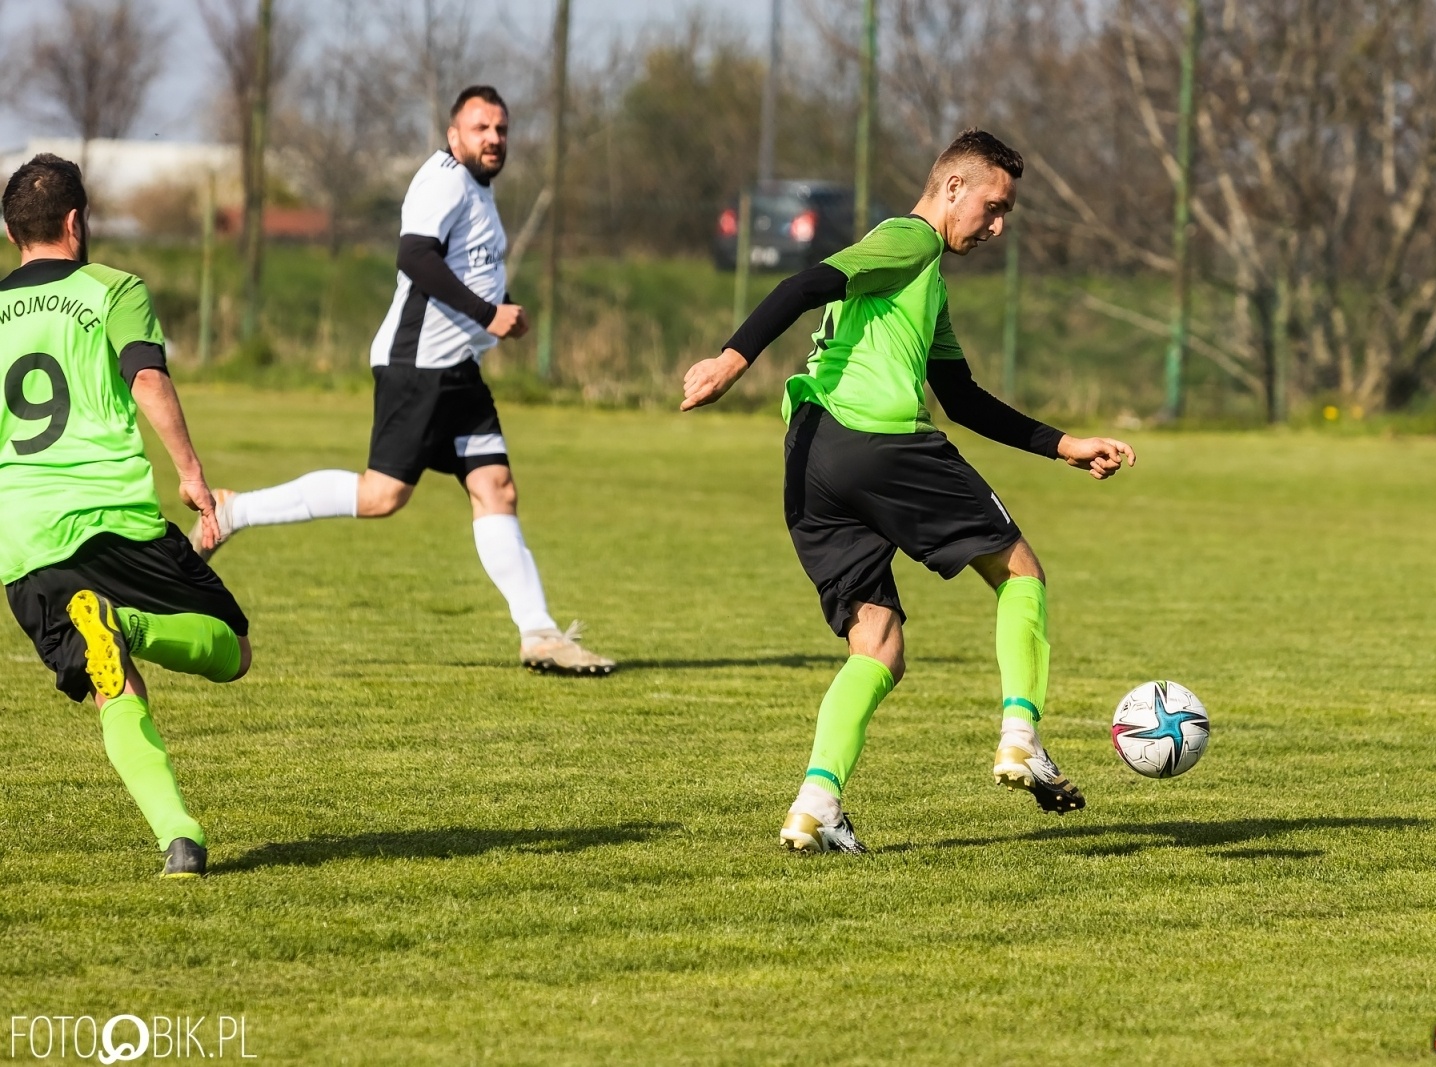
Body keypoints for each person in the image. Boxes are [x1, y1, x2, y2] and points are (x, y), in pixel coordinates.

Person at [681, 129, 1136, 853]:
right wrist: (729, 361)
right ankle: (1021, 731)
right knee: (1019, 570)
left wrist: (1063, 444)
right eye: (993, 206)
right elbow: (802, 285)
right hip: (877, 442)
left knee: (879, 642)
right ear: (953, 187)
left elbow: (961, 395)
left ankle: (816, 802)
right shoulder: (908, 242)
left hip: (812, 458)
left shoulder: (920, 285)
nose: (997, 227)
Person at [194, 85, 614, 676]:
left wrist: (503, 308)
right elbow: (415, 258)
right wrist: (488, 314)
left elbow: (469, 268)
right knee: (381, 497)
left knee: (497, 490)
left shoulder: (480, 190)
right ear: (453, 135)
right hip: (417, 366)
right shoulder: (443, 179)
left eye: (501, 129)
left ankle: (539, 634)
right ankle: (236, 511)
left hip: (459, 373)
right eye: (480, 128)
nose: (493, 138)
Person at [1, 154, 250, 878]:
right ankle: (130, 622)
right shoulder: (114, 288)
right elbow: (145, 376)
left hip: (26, 534)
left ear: (12, 231)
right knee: (233, 647)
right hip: (111, 514)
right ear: (77, 223)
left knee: (114, 684)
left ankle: (179, 837)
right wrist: (193, 474)